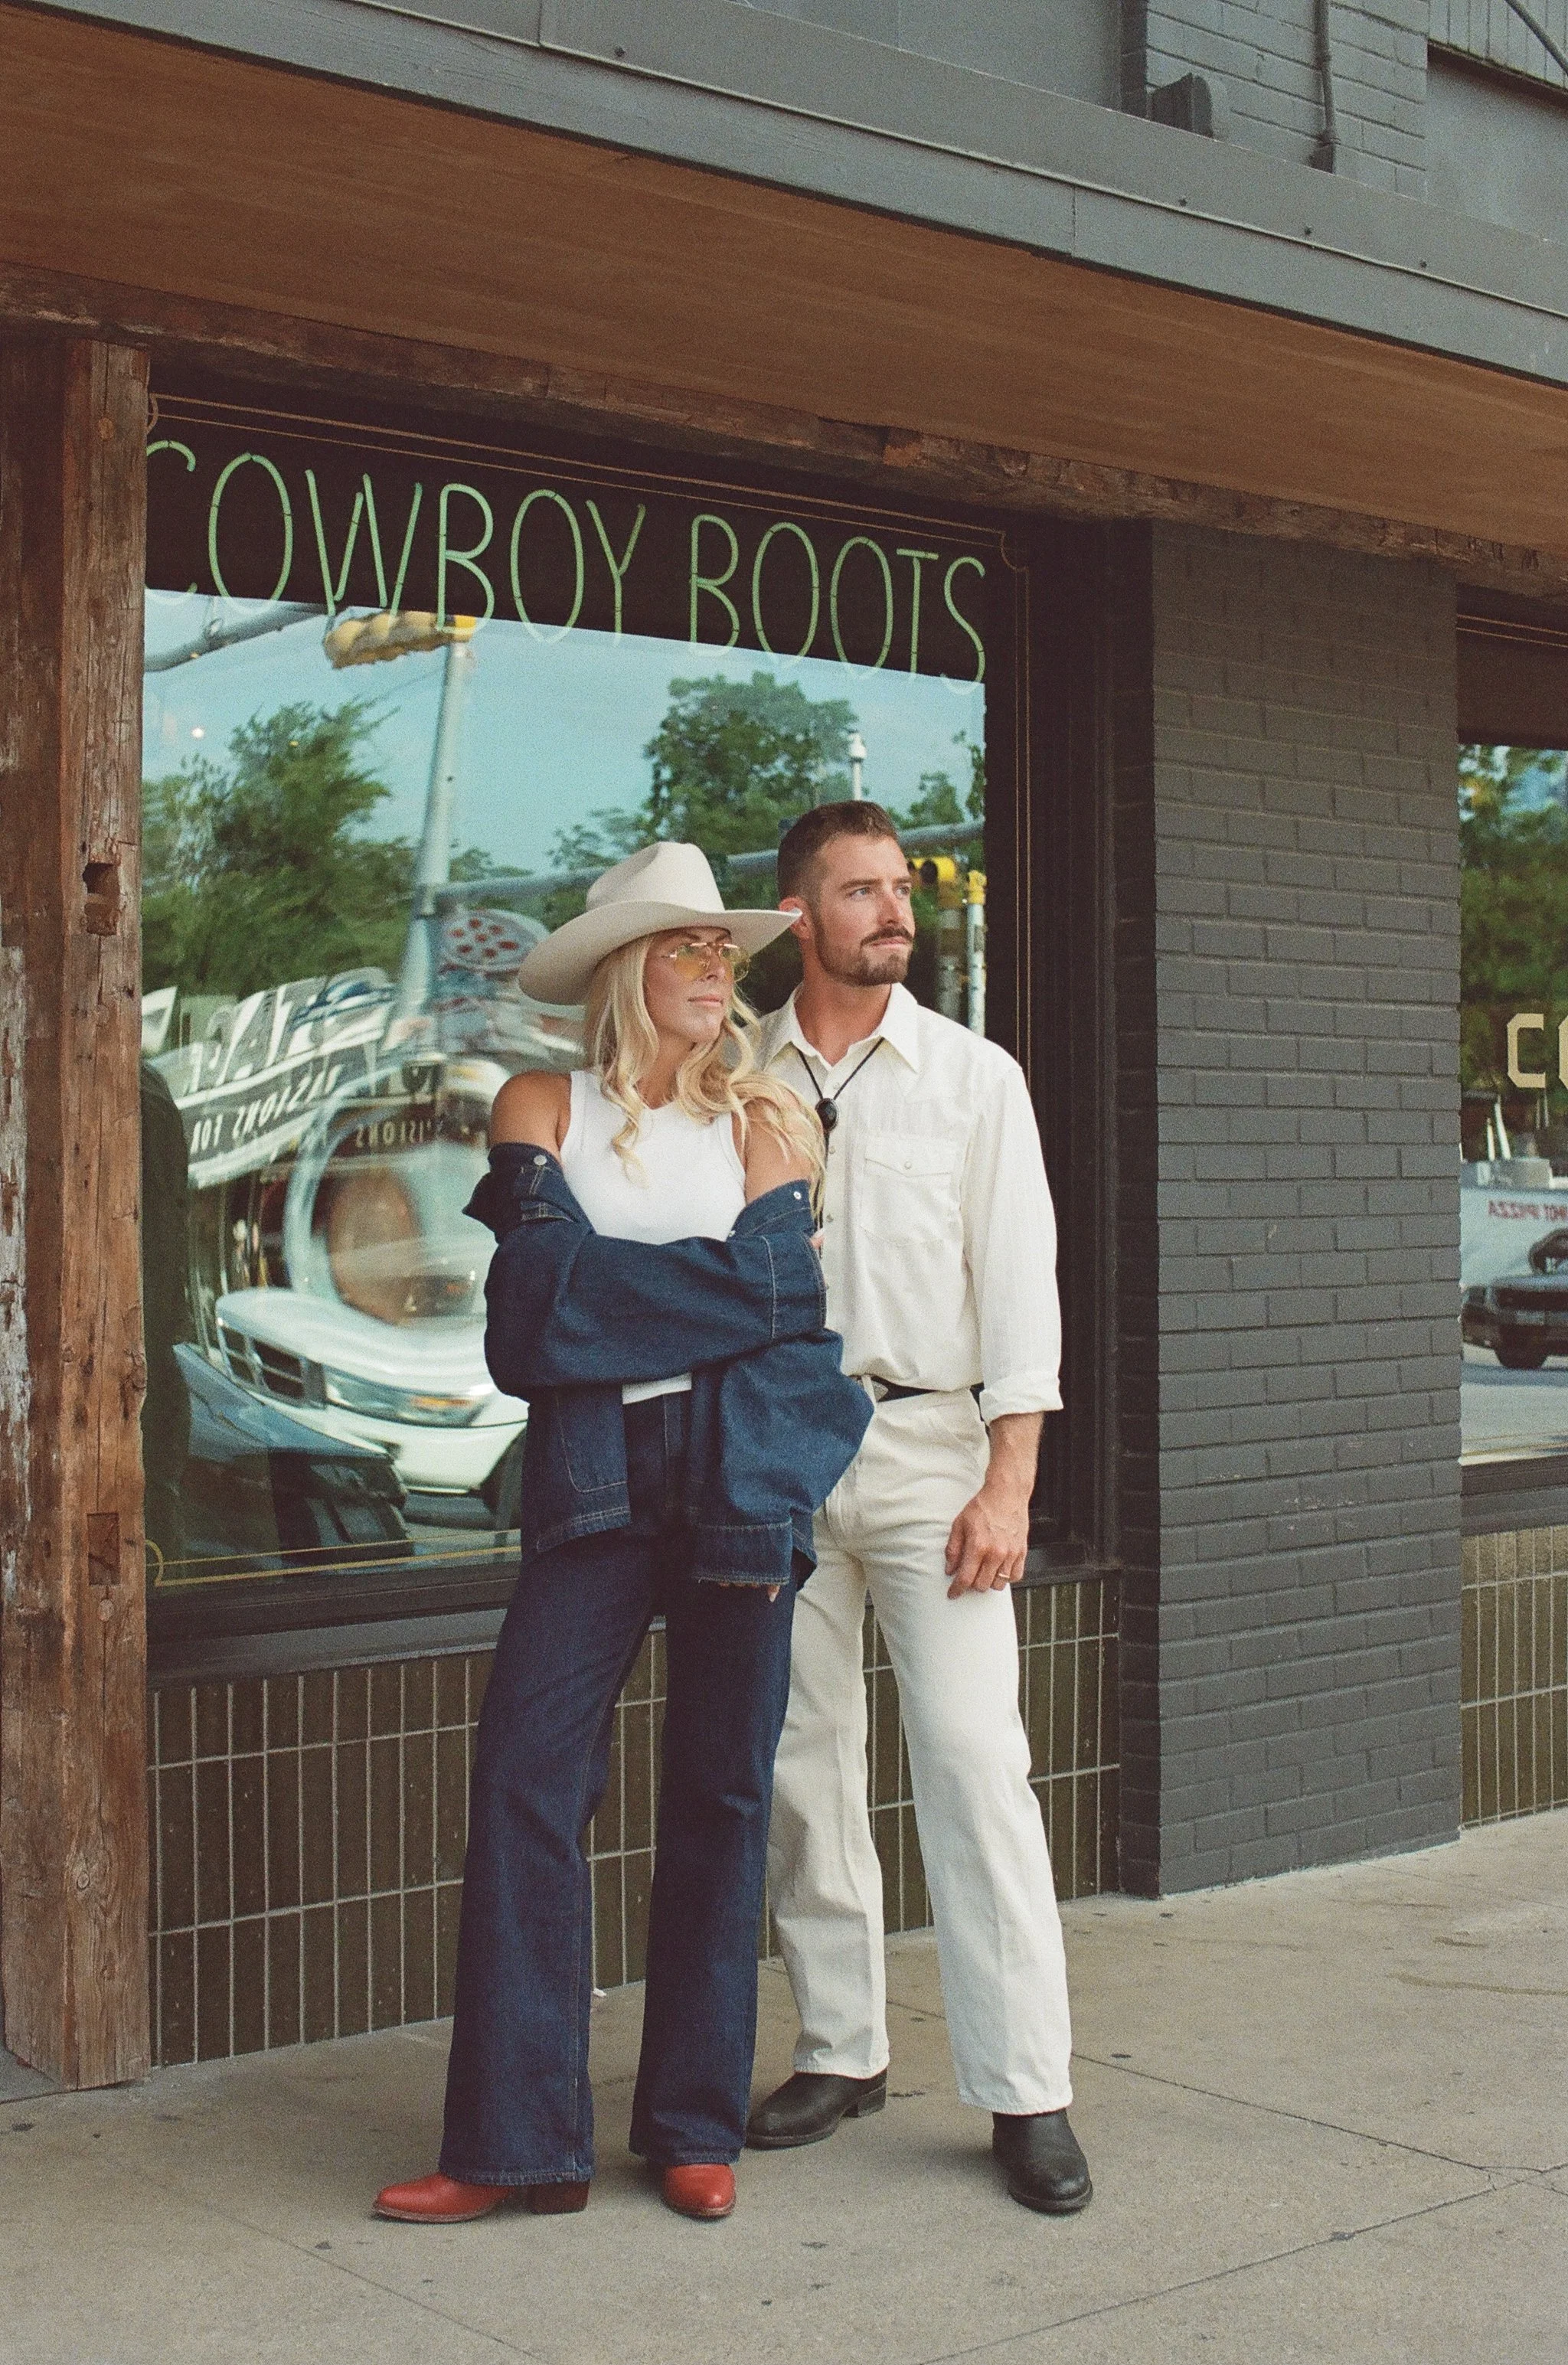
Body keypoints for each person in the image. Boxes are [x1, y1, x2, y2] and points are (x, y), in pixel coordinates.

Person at [374, 842, 869, 2229]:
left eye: (726, 951)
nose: (719, 970)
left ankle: (691, 2123)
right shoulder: (542, 1103)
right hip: (590, 1476)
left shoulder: (769, 1119)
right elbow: (531, 1319)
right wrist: (714, 1295)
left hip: (739, 1472)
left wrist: (620, 1295)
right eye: (688, 948)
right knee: (527, 1784)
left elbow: (795, 1314)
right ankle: (511, 2143)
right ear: (621, 970)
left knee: (720, 1796)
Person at [748, 800, 1093, 2216]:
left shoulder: (974, 1077)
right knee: (802, 1762)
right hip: (776, 1451)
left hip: (930, 1450)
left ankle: (1029, 2090)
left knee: (970, 1760)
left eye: (901, 888)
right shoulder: (736, 1072)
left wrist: (1009, 1480)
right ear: (799, 919)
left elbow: (1022, 1294)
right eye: (861, 891)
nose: (896, 910)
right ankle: (844, 2046)